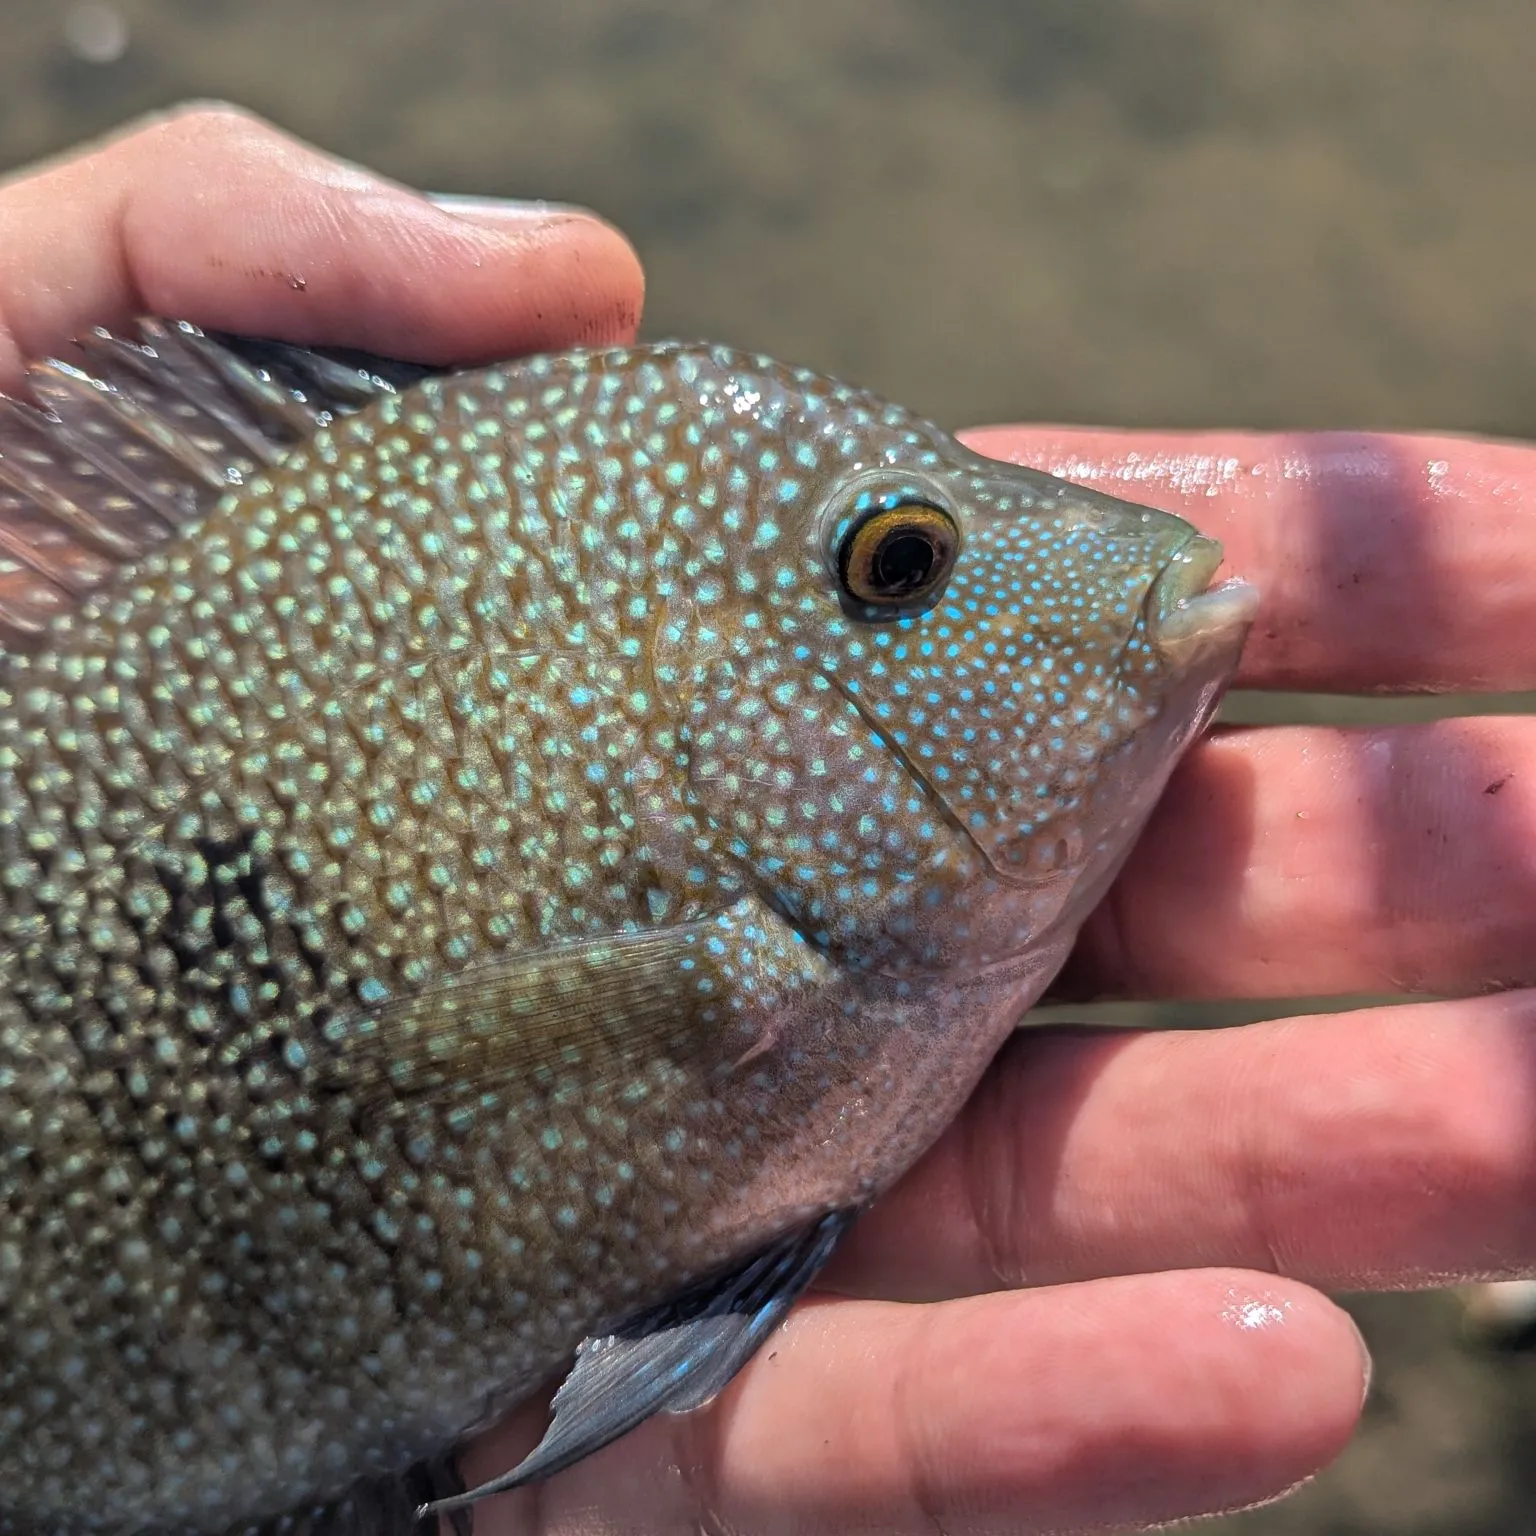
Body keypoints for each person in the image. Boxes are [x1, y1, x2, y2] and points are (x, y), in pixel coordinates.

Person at [3, 103, 1532, 1536]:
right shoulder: (727, 951)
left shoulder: (758, 929)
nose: (1094, 573)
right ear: (711, 703)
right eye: (899, 567)